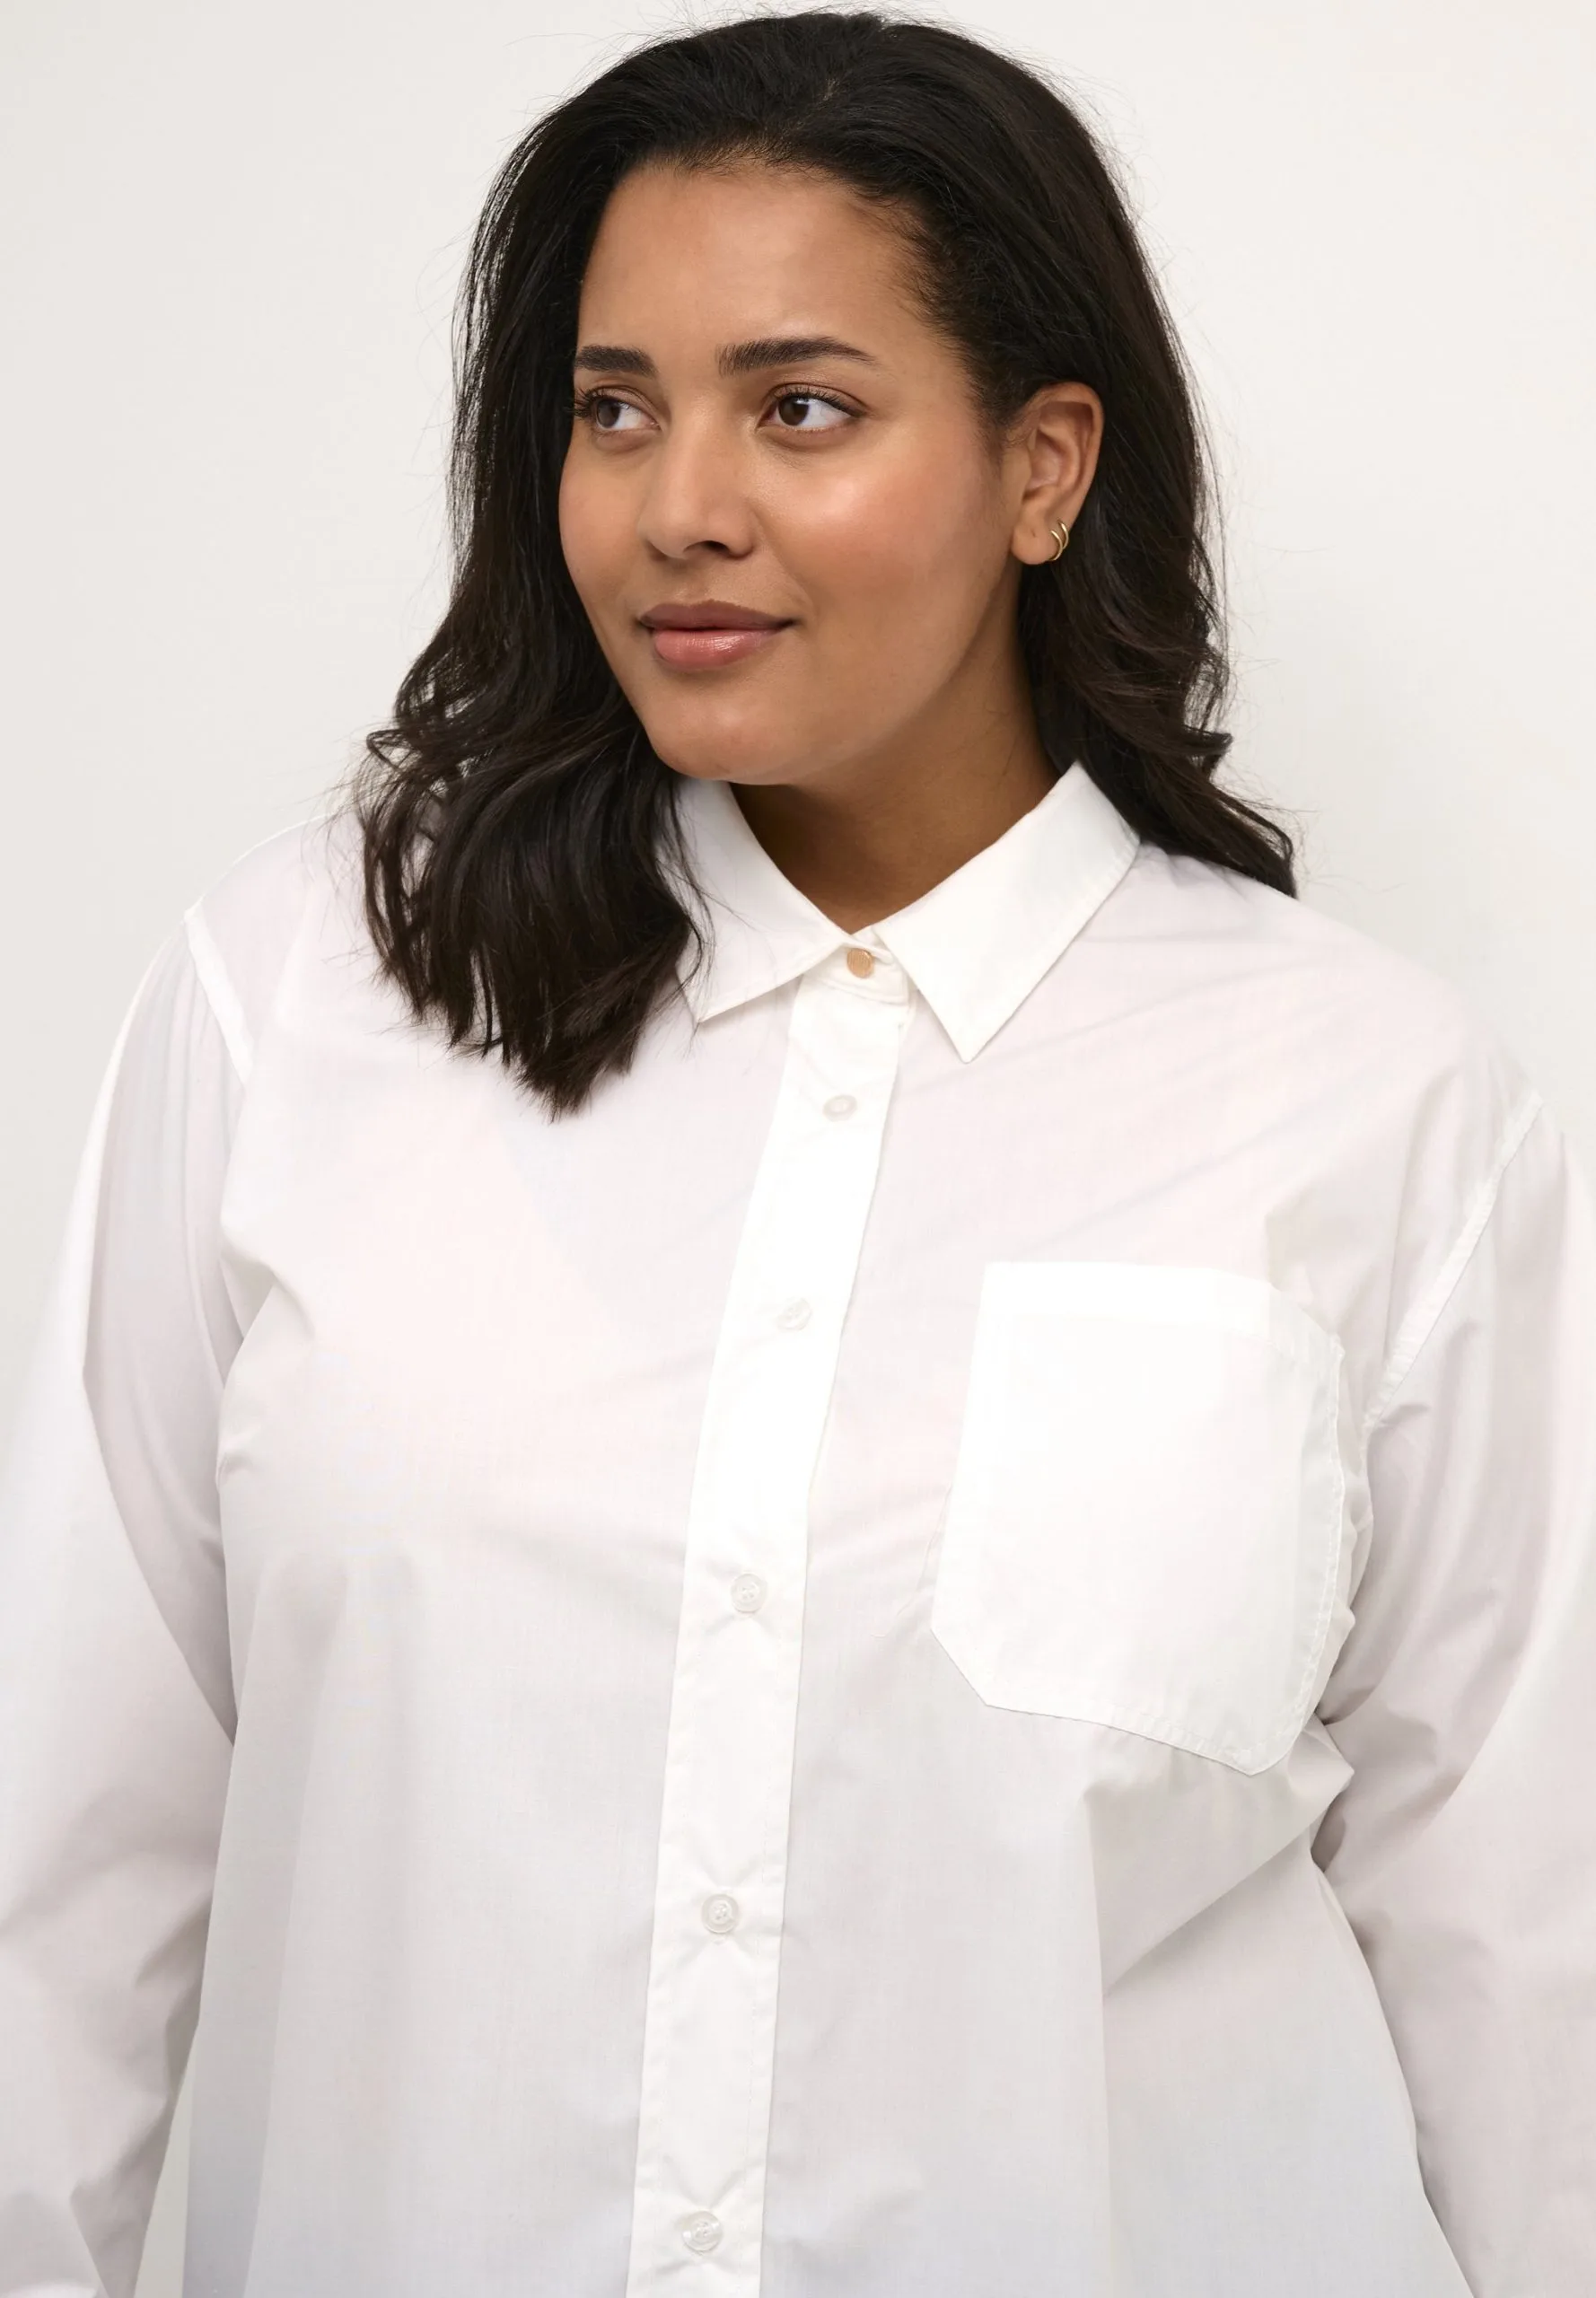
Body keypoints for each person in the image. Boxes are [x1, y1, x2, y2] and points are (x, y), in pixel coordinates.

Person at [1, 11, 1592, 2295]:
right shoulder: (303, 1007)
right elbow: (61, 1874)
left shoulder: (1369, 1107)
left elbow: (1524, 1965)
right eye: (612, 407)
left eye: (802, 407)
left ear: (1043, 467)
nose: (680, 504)